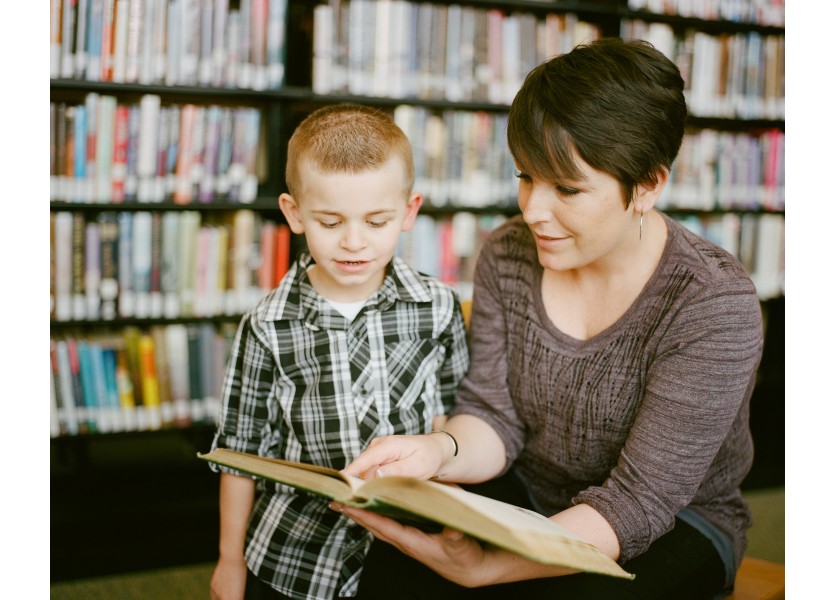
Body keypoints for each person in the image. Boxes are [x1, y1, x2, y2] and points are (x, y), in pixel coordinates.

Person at [338, 38, 764, 599]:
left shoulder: (711, 304)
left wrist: (488, 565)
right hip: (532, 492)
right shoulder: (507, 254)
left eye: (567, 188)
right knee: (394, 567)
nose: (534, 210)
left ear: (649, 186)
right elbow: (494, 417)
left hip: (677, 524)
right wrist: (437, 451)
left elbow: (639, 503)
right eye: (526, 176)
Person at [208, 103, 470, 600]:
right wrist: (228, 560)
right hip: (297, 555)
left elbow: (455, 416)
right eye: (331, 222)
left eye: (376, 221)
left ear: (409, 211)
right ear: (294, 214)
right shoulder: (267, 325)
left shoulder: (437, 306)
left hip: (412, 547)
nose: (354, 243)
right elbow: (238, 454)